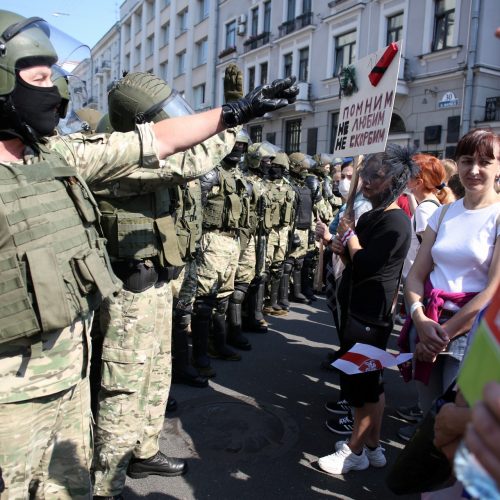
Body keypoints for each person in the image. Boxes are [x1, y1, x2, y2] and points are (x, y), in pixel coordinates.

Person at [0, 10, 298, 498]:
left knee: (149, 376)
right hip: (48, 355)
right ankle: (114, 475)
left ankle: (137, 452)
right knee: (121, 388)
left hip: (73, 356)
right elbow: (177, 157)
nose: (53, 93)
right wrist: (232, 116)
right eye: (38, 79)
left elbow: (159, 138)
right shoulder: (103, 159)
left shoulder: (54, 155)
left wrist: (235, 111)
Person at [316, 144, 416, 475]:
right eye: (367, 174)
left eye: (376, 176)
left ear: (394, 181)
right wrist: (338, 245)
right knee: (370, 384)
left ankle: (354, 451)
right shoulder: (372, 215)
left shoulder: (398, 222)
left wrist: (351, 238)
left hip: (370, 316)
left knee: (362, 388)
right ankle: (372, 446)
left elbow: (370, 265)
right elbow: (353, 263)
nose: (367, 182)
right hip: (354, 307)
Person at [401, 128, 500, 415]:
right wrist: (419, 319)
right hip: (427, 323)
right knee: (427, 413)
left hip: (471, 333)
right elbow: (416, 276)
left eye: (485, 162)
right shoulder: (443, 213)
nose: (474, 170)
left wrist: (441, 336)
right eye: (467, 160)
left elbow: (493, 290)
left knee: (453, 422)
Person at [397, 154, 447, 441]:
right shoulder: (429, 206)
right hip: (420, 287)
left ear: (419, 180)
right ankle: (422, 411)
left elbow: (426, 256)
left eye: (410, 173)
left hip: (422, 290)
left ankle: (426, 425)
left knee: (422, 354)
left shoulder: (428, 211)